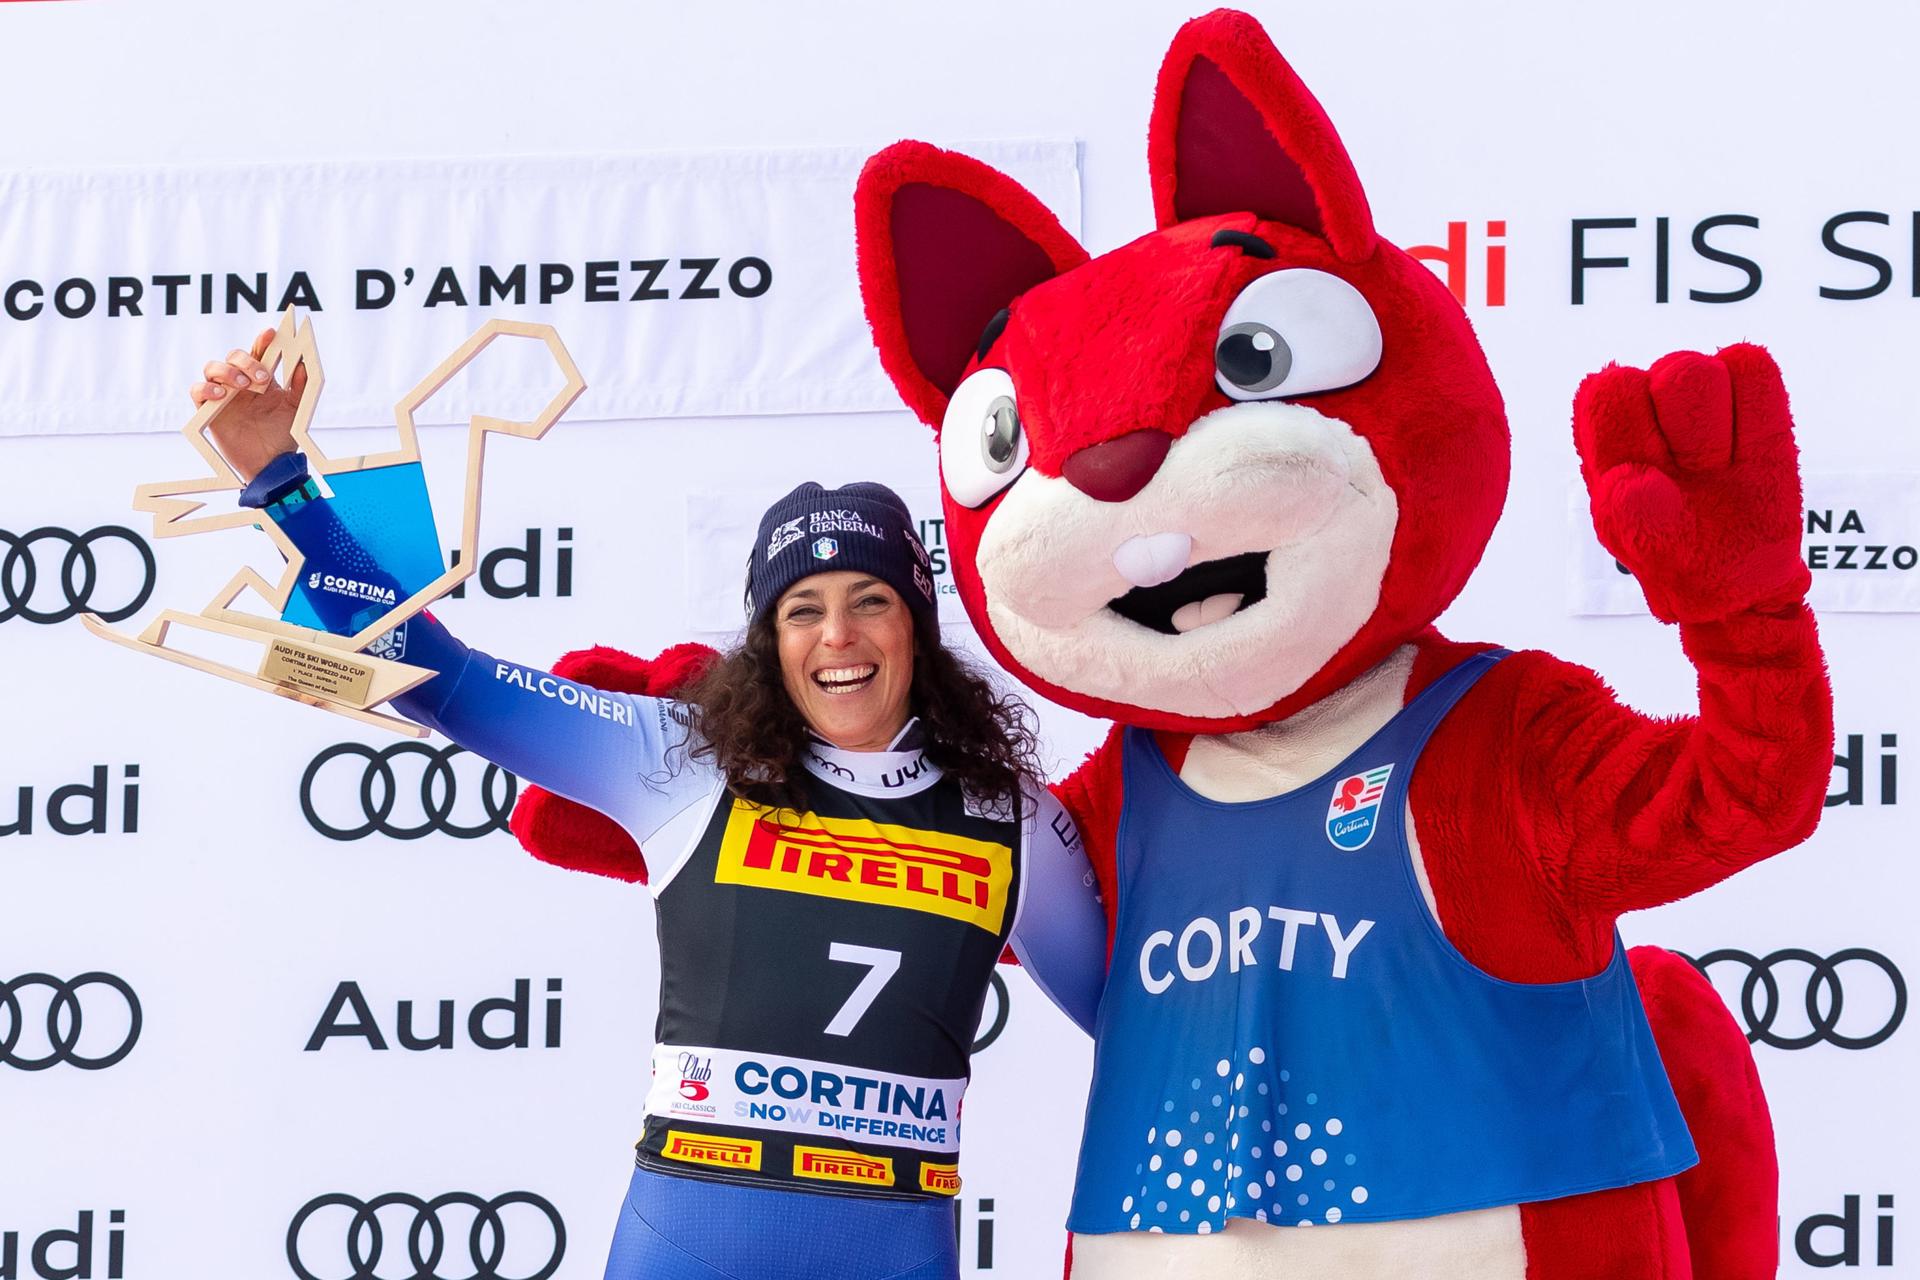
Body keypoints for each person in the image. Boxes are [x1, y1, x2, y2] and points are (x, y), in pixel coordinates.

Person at [191, 329, 1108, 1280]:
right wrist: (282, 483)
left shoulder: (1013, 818)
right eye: (803, 610)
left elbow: (1136, 1032)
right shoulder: (679, 759)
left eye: (872, 599)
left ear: (916, 627)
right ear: (768, 643)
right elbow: (438, 677)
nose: (839, 635)